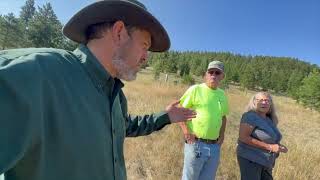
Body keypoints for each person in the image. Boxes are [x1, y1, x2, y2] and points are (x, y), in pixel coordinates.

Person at [0, 1, 197, 180]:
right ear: (119, 32)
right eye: (144, 46)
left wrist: (166, 117)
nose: (146, 57)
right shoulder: (39, 74)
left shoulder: (115, 95)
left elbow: (124, 127)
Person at [178, 60, 229, 180]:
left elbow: (223, 117)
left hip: (214, 146)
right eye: (211, 72)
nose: (213, 75)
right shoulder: (195, 89)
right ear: (206, 74)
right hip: (196, 143)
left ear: (222, 76)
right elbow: (180, 109)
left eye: (217, 73)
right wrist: (186, 132)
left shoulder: (222, 94)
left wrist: (222, 135)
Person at [237, 92, 288, 180]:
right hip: (251, 159)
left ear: (271, 104)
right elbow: (243, 137)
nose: (264, 103)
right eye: (260, 100)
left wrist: (279, 146)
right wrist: (270, 147)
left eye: (267, 101)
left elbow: (270, 138)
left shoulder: (269, 119)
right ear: (254, 102)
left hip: (266, 162)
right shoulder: (250, 116)